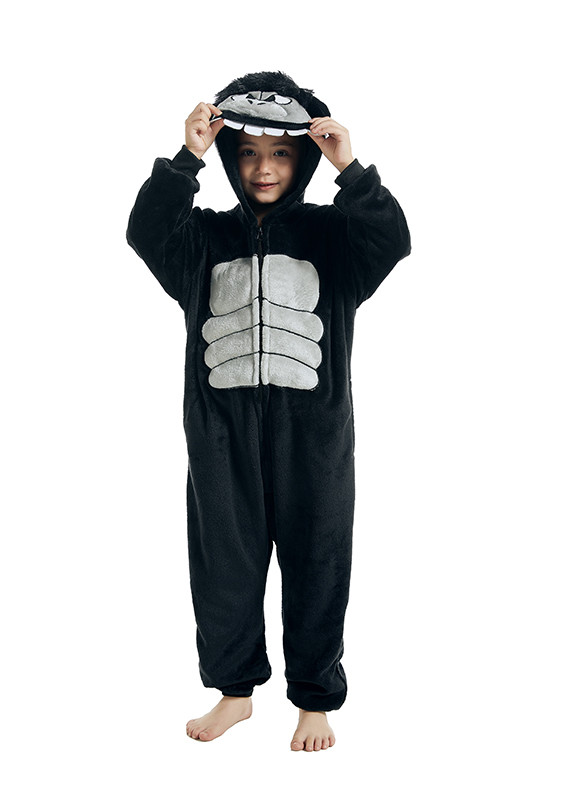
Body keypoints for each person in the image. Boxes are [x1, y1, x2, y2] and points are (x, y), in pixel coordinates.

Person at [126, 71, 411, 751]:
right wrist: (187, 157)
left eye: (280, 154)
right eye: (249, 153)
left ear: (302, 159)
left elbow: (392, 239)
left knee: (319, 560)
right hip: (219, 437)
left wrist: (350, 169)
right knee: (224, 565)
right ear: (232, 159)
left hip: (315, 437)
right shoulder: (199, 240)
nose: (264, 168)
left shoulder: (335, 238)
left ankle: (315, 699)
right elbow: (145, 230)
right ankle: (234, 693)